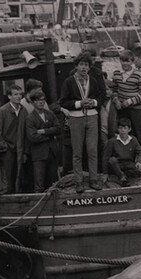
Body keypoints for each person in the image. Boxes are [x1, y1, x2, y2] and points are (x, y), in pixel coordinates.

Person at [59, 53, 105, 191]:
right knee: (77, 151)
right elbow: (63, 102)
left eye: (86, 65)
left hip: (92, 117)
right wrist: (80, 103)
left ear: (89, 67)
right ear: (76, 66)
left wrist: (94, 102)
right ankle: (78, 181)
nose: (84, 67)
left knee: (92, 150)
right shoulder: (69, 82)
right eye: (81, 64)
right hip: (76, 118)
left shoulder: (94, 81)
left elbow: (101, 96)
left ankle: (93, 179)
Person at [0, 83, 26, 194]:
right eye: (15, 94)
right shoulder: (3, 111)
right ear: (9, 97)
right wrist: (5, 147)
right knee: (7, 176)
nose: (18, 97)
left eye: (20, 94)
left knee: (18, 175)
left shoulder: (23, 110)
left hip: (19, 148)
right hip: (8, 149)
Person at [111, 51, 141, 156]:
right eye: (122, 61)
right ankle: (127, 161)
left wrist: (129, 101)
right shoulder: (116, 74)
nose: (125, 64)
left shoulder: (138, 75)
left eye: (127, 61)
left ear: (132, 62)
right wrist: (116, 100)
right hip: (122, 110)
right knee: (125, 136)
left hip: (135, 110)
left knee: (140, 136)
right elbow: (114, 90)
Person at [24, 89, 61, 192]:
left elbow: (58, 129)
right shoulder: (30, 118)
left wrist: (44, 131)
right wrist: (50, 135)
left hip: (52, 152)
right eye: (37, 100)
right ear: (32, 102)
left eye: (42, 100)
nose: (41, 102)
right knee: (39, 183)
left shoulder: (50, 114)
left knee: (54, 183)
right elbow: (32, 137)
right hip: (39, 154)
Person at [103, 117, 141, 185]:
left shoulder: (133, 140)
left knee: (140, 169)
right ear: (118, 129)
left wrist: (139, 162)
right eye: (120, 128)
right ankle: (121, 176)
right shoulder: (112, 141)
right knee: (112, 160)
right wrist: (105, 173)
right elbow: (106, 157)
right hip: (117, 165)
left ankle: (122, 176)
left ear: (129, 129)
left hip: (128, 164)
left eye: (125, 128)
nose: (123, 130)